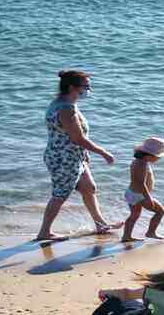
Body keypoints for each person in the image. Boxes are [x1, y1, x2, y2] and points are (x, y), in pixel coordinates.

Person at [36, 70, 119, 242]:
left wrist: (84, 155)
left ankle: (100, 224)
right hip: (64, 159)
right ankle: (44, 232)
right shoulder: (67, 109)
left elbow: (71, 137)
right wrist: (104, 153)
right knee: (60, 195)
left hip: (72, 156)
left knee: (89, 188)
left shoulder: (63, 102)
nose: (88, 89)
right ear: (73, 87)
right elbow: (78, 138)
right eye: (85, 86)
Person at [121, 137, 164, 242]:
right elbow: (141, 183)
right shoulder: (141, 164)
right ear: (149, 155)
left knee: (134, 215)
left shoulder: (139, 161)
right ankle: (151, 232)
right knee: (160, 212)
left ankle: (126, 236)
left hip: (132, 192)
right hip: (140, 195)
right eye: (158, 157)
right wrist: (148, 197)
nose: (159, 159)